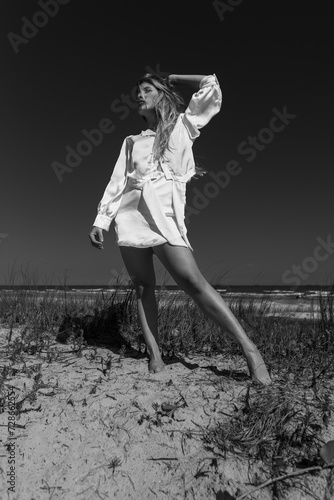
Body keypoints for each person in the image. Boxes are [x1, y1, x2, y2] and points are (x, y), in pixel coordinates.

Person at [89, 72, 271, 384]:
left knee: (194, 282)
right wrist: (101, 221)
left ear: (161, 94)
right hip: (131, 216)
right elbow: (118, 182)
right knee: (143, 287)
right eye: (139, 91)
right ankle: (155, 355)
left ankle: (249, 349)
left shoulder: (184, 126)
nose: (139, 95)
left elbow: (211, 87)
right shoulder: (131, 142)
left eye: (147, 89)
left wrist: (175, 77)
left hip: (166, 217)